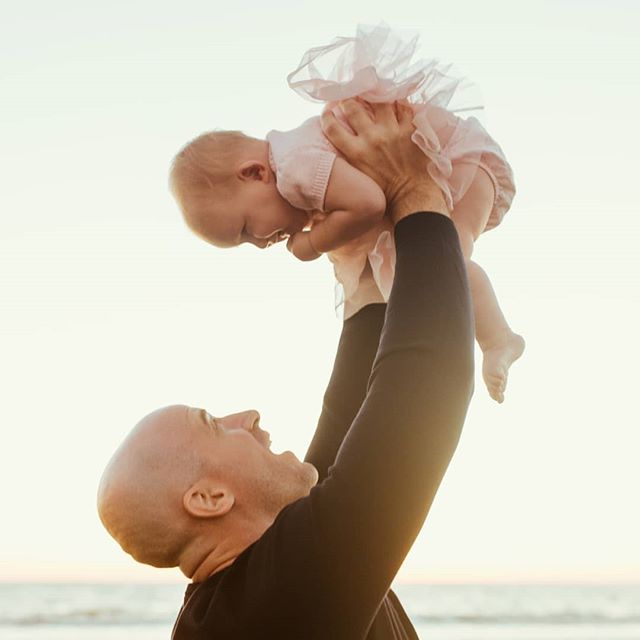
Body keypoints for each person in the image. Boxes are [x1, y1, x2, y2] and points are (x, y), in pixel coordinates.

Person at [98, 97, 475, 639]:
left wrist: (364, 275)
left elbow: (350, 421)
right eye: (213, 423)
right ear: (209, 499)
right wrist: (415, 188)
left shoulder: (253, 589)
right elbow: (426, 384)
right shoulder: (279, 598)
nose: (247, 416)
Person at [169, 23, 523, 403]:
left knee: (445, 268)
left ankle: (497, 340)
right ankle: (485, 343)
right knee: (431, 273)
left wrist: (315, 242)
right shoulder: (297, 163)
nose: (258, 243)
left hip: (455, 160)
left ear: (255, 173)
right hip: (455, 164)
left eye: (245, 230)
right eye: (246, 244)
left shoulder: (293, 167)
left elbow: (368, 203)